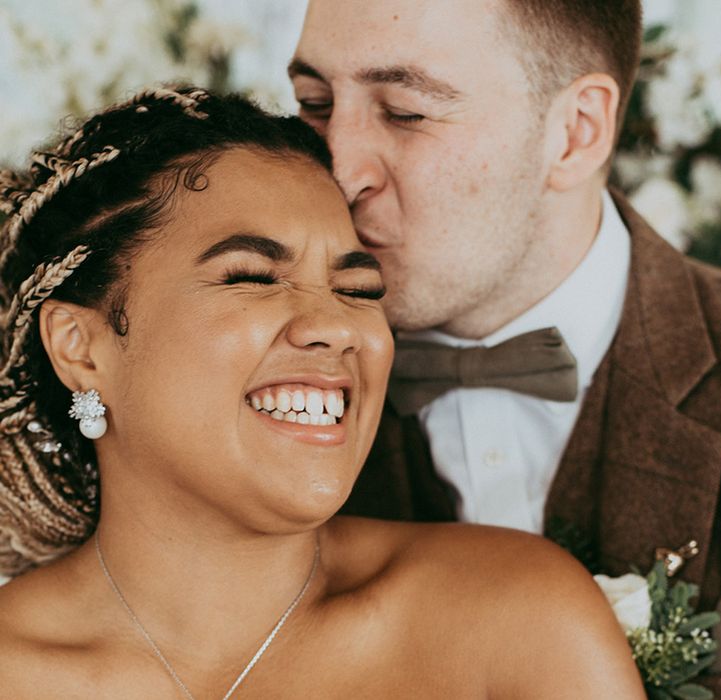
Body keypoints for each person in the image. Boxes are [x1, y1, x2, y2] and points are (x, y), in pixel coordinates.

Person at [0, 87, 643, 697]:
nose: (338, 327)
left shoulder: (516, 620)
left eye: (359, 289)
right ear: (79, 347)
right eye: (251, 276)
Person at [289, 0, 721, 694]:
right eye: (314, 103)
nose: (338, 170)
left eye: (404, 110)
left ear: (576, 133)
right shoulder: (250, 393)